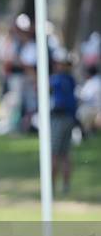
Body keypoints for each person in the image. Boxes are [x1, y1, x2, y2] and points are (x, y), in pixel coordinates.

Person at [49, 52, 78, 195]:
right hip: (69, 118)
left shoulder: (57, 79)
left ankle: (51, 187)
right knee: (65, 154)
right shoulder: (71, 79)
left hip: (59, 118)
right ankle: (65, 186)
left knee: (54, 154)